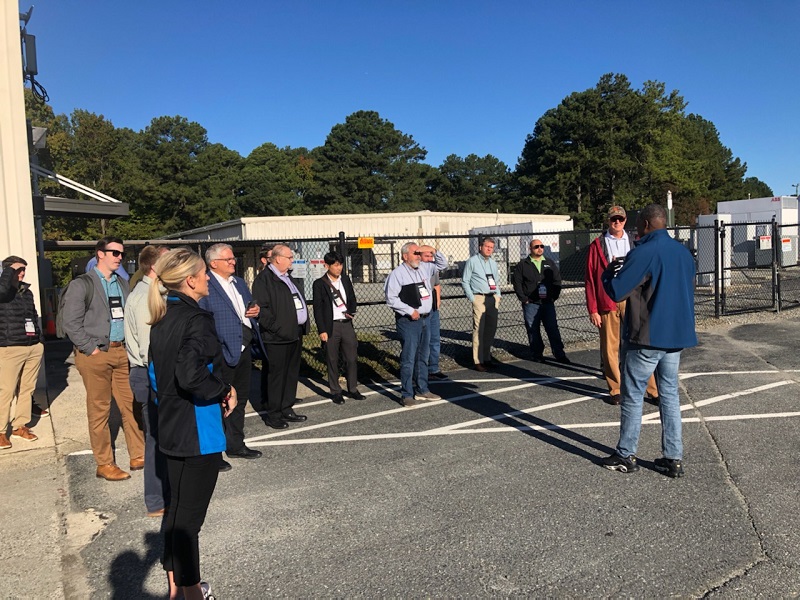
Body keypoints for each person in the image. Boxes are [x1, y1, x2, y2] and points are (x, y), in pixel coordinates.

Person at [148, 248, 236, 600]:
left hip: (170, 424)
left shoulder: (162, 315)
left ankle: (176, 588)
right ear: (191, 280)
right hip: (198, 429)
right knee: (189, 521)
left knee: (177, 510)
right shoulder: (196, 319)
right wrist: (223, 390)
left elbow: (157, 376)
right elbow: (189, 374)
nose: (208, 280)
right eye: (204, 274)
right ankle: (191, 592)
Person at [600, 204, 697, 478]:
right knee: (669, 395)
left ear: (644, 224)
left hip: (648, 336)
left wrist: (608, 273)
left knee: (632, 395)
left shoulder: (643, 251)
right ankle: (673, 457)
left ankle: (625, 453)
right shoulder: (683, 253)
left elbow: (618, 291)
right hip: (676, 335)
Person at [61, 237, 144, 482]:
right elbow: (70, 323)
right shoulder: (82, 284)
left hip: (122, 352)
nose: (119, 257)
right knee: (100, 410)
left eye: (121, 253)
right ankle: (104, 463)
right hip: (95, 353)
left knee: (131, 404)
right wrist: (90, 349)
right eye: (114, 252)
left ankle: (138, 454)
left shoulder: (122, 283)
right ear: (100, 254)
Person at [198, 243, 264, 468]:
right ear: (213, 263)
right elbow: (204, 319)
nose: (233, 262)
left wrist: (255, 311)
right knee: (217, 402)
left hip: (243, 349)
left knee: (240, 399)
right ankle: (214, 454)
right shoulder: (206, 284)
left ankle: (236, 444)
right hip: (221, 352)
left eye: (233, 258)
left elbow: (249, 307)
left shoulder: (240, 283)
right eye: (228, 259)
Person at [585, 206, 657, 405]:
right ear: (608, 221)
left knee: (641, 344)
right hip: (608, 301)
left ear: (626, 221)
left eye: (620, 219)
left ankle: (652, 389)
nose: (617, 222)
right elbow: (590, 279)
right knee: (610, 348)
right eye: (613, 219)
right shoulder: (597, 245)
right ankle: (615, 389)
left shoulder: (636, 242)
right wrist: (593, 309)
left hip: (633, 299)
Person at [124, 245, 170, 516]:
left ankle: (165, 492)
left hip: (153, 371)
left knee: (162, 436)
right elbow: (147, 347)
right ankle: (155, 501)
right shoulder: (143, 298)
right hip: (149, 372)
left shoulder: (153, 293)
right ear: (154, 267)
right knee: (155, 438)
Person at [252, 244, 309, 429]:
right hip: (276, 337)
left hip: (294, 334)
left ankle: (286, 407)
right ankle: (273, 413)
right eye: (289, 257)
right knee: (276, 376)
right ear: (277, 259)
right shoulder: (264, 280)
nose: (292, 260)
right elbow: (263, 311)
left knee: (291, 373)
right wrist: (279, 329)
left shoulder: (286, 277)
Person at [384, 242, 448, 406]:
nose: (419, 256)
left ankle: (423, 389)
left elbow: (442, 264)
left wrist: (433, 250)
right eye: (415, 253)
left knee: (423, 356)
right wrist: (409, 310)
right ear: (405, 256)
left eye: (420, 253)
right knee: (409, 358)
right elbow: (391, 299)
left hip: (426, 318)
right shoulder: (397, 274)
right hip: (409, 320)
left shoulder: (424, 268)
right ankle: (407, 393)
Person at [0, 256, 44, 449]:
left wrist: (39, 340)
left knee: (27, 388)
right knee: (6, 390)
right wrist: (8, 271)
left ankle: (20, 425)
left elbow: (33, 315)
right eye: (17, 270)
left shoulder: (27, 292)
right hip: (10, 347)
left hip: (32, 346)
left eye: (23, 269)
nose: (22, 273)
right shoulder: (3, 291)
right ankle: (1, 431)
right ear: (7, 271)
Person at [312, 251, 364, 404]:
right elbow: (318, 308)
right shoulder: (319, 284)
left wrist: (351, 311)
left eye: (340, 264)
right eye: (335, 265)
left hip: (346, 323)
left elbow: (352, 298)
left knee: (352, 358)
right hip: (331, 326)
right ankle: (335, 391)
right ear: (327, 266)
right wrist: (322, 330)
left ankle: (353, 388)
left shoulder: (345, 280)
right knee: (332, 359)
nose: (339, 268)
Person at [512, 239, 570, 364]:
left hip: (547, 303)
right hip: (531, 303)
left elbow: (557, 280)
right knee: (533, 329)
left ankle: (559, 354)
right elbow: (517, 283)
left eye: (541, 246)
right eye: (536, 247)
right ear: (530, 249)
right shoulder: (523, 264)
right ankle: (537, 354)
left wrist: (554, 296)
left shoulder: (549, 262)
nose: (539, 248)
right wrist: (524, 298)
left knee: (552, 328)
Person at [462, 237, 501, 372]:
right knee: (479, 330)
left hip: (492, 298)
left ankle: (486, 358)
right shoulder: (472, 261)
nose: (489, 249)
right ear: (480, 247)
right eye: (487, 246)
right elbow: (465, 281)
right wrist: (472, 298)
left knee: (491, 329)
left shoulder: (493, 263)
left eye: (491, 247)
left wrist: (498, 295)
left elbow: (496, 281)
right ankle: (477, 361)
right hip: (479, 297)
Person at [419, 246, 447, 380]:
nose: (430, 259)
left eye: (431, 256)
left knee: (435, 338)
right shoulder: (418, 267)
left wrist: (438, 300)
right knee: (424, 339)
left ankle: (433, 368)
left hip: (433, 305)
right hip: (422, 306)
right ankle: (421, 369)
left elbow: (437, 284)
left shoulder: (432, 267)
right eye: (427, 256)